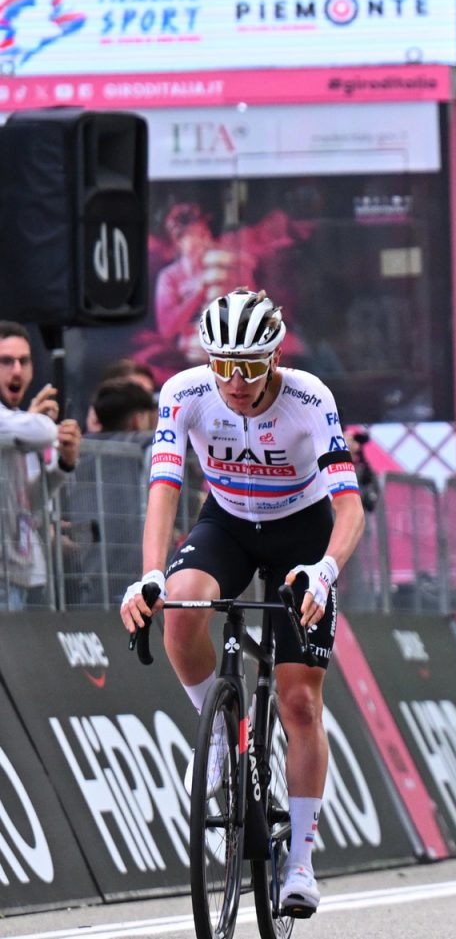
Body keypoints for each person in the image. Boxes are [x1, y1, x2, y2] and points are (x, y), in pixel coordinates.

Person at [118, 288, 365, 917]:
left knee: (300, 701)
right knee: (178, 609)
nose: (234, 380)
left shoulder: (310, 398)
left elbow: (349, 506)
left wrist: (325, 570)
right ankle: (223, 740)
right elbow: (165, 489)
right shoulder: (184, 392)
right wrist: (148, 574)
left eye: (250, 366)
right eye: (222, 363)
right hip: (226, 522)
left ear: (275, 357)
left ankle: (302, 865)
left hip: (300, 534)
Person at [0, 321, 81, 609]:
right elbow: (44, 432)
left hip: (24, 573)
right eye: (6, 361)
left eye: (24, 361)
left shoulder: (18, 425)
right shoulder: (19, 424)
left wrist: (64, 464)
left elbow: (29, 501)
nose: (17, 371)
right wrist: (40, 422)